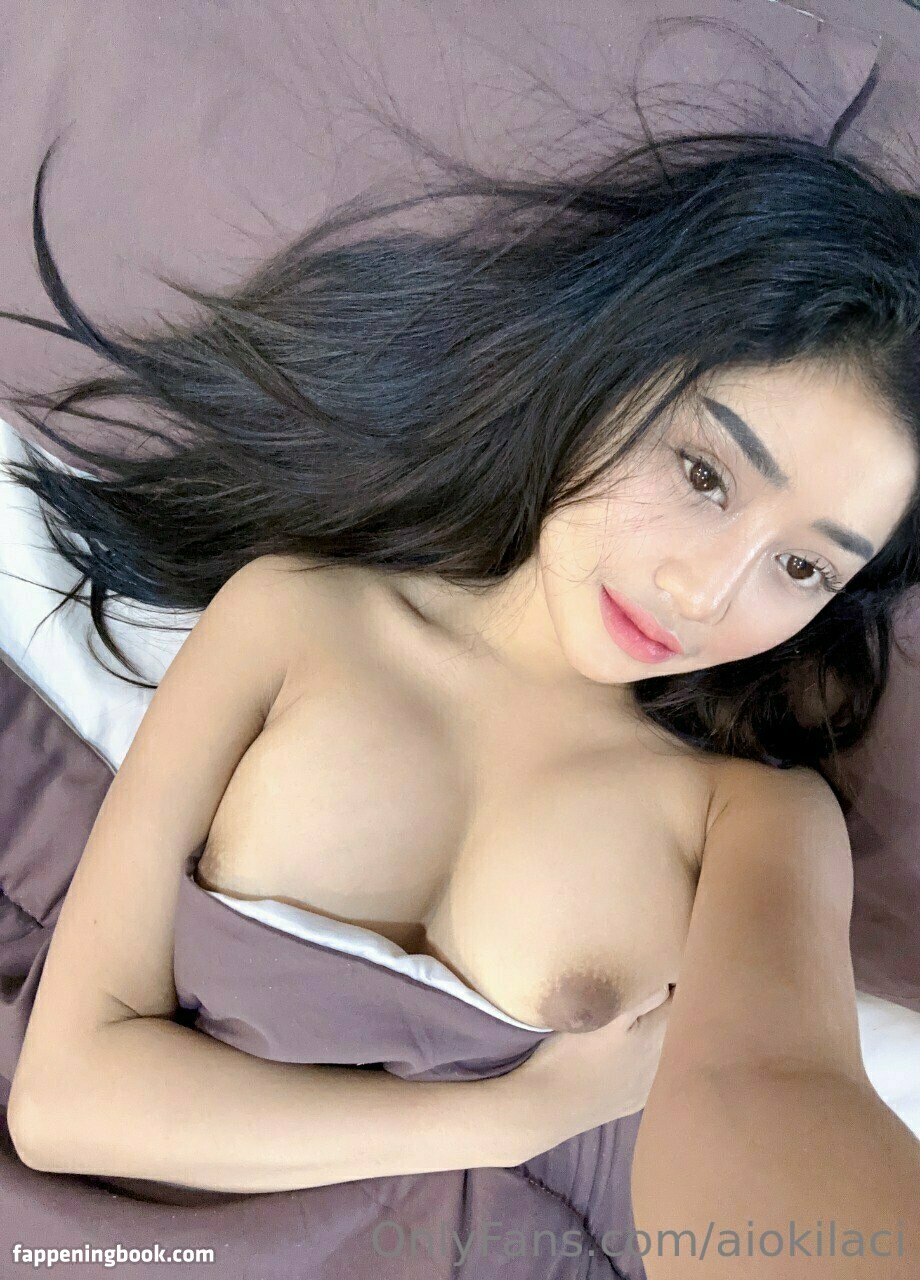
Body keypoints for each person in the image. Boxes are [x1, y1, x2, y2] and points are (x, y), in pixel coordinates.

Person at [2, 126, 920, 1276]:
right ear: (615, 368)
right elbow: (65, 1097)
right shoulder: (294, 617)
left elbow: (781, 1085)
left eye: (800, 566)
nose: (702, 591)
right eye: (701, 473)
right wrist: (510, 1115)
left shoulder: (752, 819)